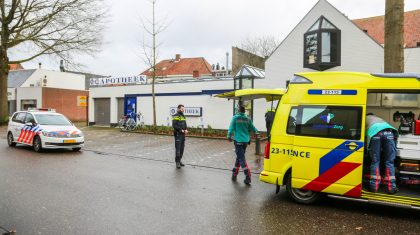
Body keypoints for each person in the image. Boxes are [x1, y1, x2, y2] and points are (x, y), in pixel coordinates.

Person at [366, 113, 399, 194]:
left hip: (375, 133)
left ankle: (374, 186)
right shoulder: (379, 118)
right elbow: (395, 138)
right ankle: (391, 187)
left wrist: (368, 149)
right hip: (389, 133)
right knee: (389, 161)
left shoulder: (365, 118)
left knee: (375, 161)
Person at [227, 106, 259, 185]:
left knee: (241, 159)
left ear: (238, 110)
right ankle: (234, 174)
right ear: (244, 111)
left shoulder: (235, 118)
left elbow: (231, 128)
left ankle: (247, 175)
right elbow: (253, 128)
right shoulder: (248, 119)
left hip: (238, 141)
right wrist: (257, 133)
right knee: (239, 158)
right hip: (245, 141)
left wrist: (229, 136)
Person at [172, 104, 188, 169]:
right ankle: (177, 162)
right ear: (178, 109)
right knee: (178, 149)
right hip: (178, 134)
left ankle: (180, 160)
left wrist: (186, 129)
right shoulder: (176, 116)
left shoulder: (183, 116)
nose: (183, 110)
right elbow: (174, 125)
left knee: (182, 149)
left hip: (183, 135)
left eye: (183, 109)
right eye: (182, 109)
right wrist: (181, 130)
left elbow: (185, 124)